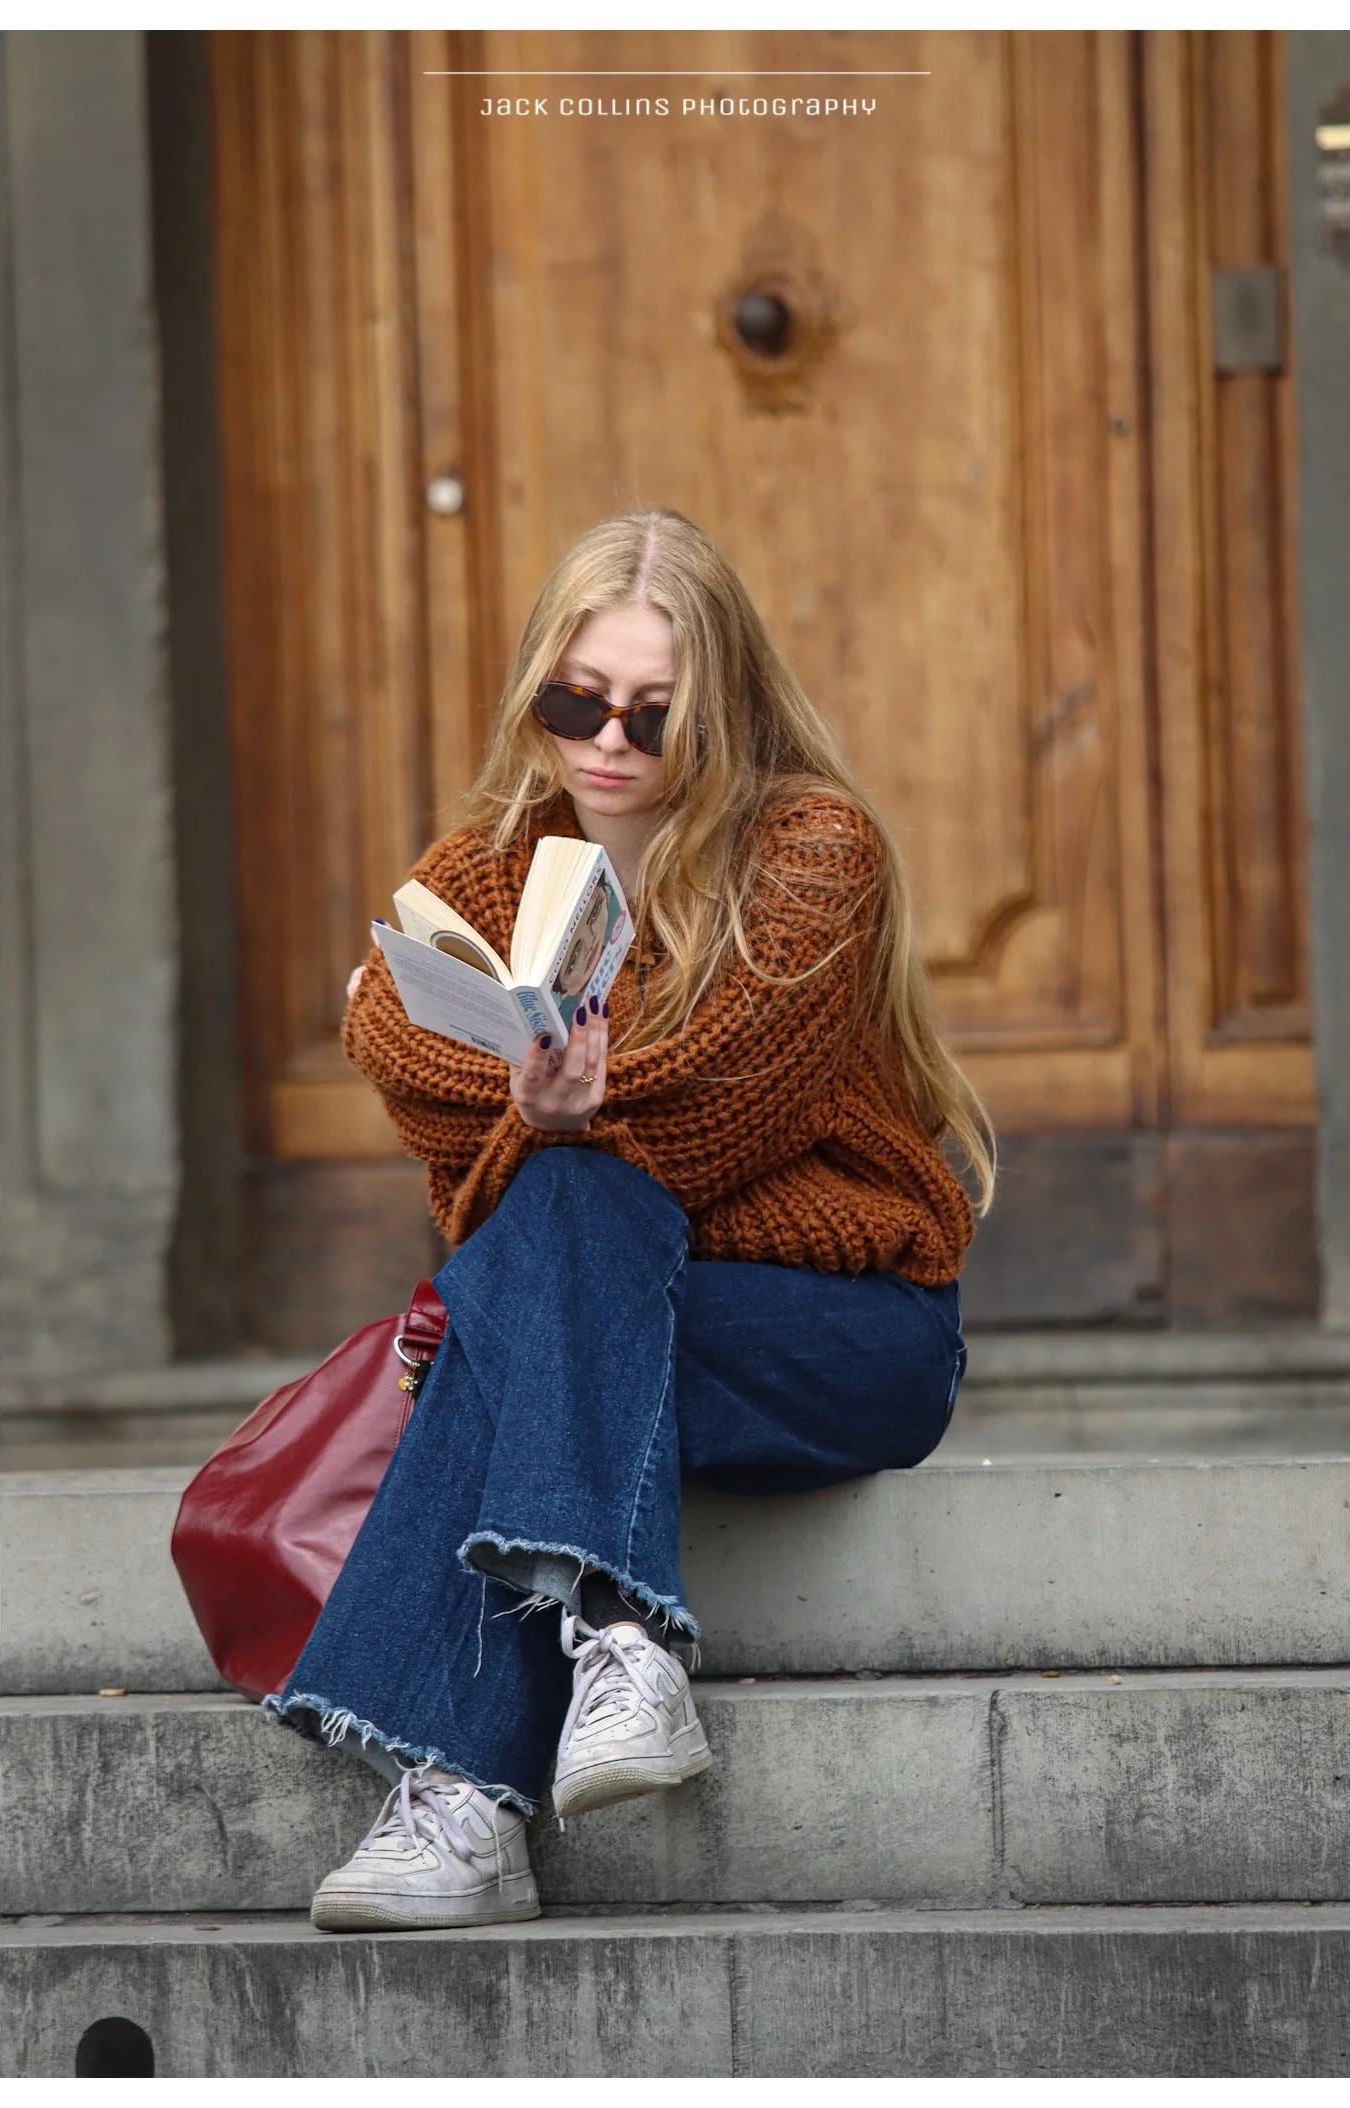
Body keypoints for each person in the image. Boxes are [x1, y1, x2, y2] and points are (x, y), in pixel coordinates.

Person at [268, 508, 994, 1932]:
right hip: (619, 1335)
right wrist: (518, 1112)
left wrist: (533, 1120)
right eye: (574, 701)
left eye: (652, 714)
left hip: (842, 1334)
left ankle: (462, 1793)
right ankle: (618, 1654)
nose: (607, 741)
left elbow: (707, 1110)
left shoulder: (812, 855)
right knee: (556, 1227)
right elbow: (393, 1050)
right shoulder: (484, 875)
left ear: (717, 710)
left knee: (562, 1209)